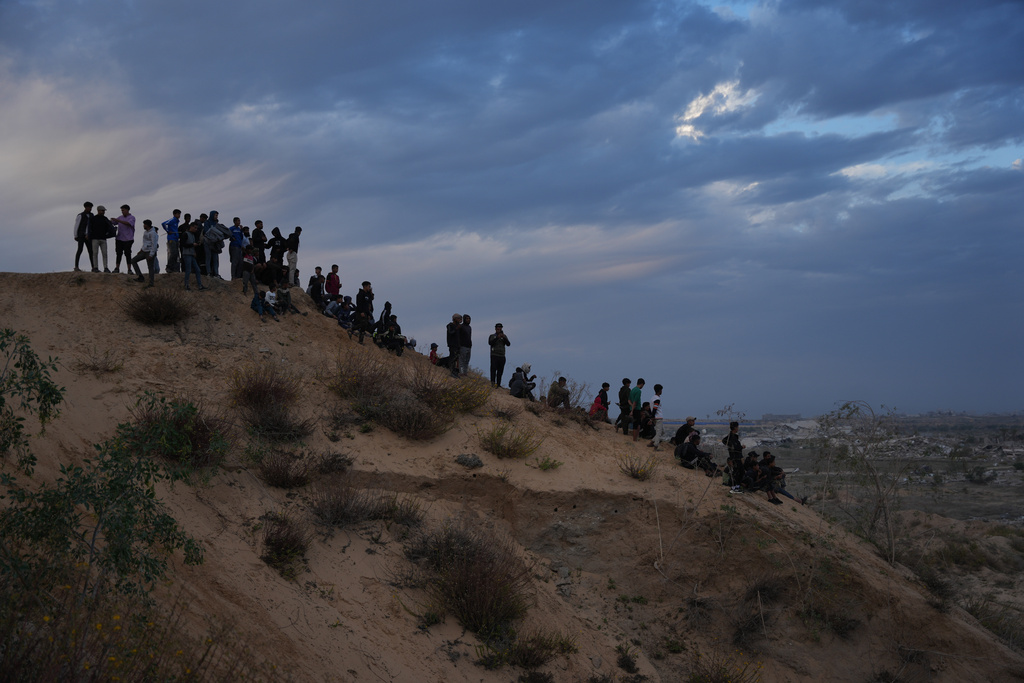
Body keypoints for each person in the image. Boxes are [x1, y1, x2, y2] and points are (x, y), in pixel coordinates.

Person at [130, 219, 159, 286]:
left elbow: (154, 244)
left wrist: (151, 254)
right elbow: (145, 243)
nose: (143, 226)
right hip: (144, 251)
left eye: (144, 224)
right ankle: (140, 276)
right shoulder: (145, 232)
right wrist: (141, 250)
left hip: (150, 252)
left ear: (147, 225)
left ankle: (151, 283)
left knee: (150, 267)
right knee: (133, 260)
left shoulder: (153, 233)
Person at [180, 221, 207, 291]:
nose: (196, 229)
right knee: (188, 270)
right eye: (195, 228)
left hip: (191, 254)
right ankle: (186, 286)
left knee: (198, 270)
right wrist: (192, 245)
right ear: (191, 227)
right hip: (187, 254)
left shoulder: (192, 235)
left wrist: (194, 250)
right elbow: (183, 244)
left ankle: (200, 285)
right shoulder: (185, 234)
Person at [111, 204, 136, 273]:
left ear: (127, 210)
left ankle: (129, 269)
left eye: (123, 210)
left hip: (128, 239)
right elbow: (113, 222)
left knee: (128, 253)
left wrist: (118, 221)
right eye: (121, 210)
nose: (122, 212)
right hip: (119, 238)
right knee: (118, 253)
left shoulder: (132, 217)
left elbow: (128, 223)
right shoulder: (120, 217)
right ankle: (117, 268)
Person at [89, 205, 113, 273]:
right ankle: (95, 267)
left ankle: (105, 267)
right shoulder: (93, 219)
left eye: (104, 211)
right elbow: (90, 228)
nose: (103, 212)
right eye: (102, 211)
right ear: (98, 210)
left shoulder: (105, 219)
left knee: (104, 253)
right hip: (95, 238)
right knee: (95, 253)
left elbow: (109, 227)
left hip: (103, 238)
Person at [73, 202, 95, 272]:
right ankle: (76, 266)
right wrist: (76, 235)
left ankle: (93, 267)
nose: (90, 209)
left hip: (89, 236)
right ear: (85, 207)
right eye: (89, 207)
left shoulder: (92, 215)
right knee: (80, 249)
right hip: (81, 235)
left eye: (91, 207)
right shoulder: (80, 215)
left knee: (91, 251)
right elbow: (76, 225)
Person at [723, 421, 745, 486]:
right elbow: (735, 447)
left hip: (736, 457)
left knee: (740, 472)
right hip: (735, 458)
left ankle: (736, 486)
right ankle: (734, 486)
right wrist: (740, 447)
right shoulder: (731, 437)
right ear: (735, 428)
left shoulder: (733, 436)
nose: (738, 428)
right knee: (737, 473)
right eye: (737, 427)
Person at [162, 209, 182, 273]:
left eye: (179, 214)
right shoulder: (172, 220)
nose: (179, 215)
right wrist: (167, 231)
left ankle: (173, 268)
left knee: (176, 254)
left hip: (176, 239)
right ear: (174, 214)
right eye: (178, 214)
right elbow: (164, 223)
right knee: (173, 253)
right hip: (171, 238)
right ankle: (169, 267)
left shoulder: (176, 221)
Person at [649, 384, 668, 451]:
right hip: (658, 417)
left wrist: (652, 417)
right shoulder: (657, 399)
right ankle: (655, 447)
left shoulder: (653, 398)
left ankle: (652, 442)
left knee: (662, 431)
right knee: (659, 433)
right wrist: (653, 416)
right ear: (660, 390)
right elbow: (655, 408)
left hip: (656, 417)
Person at [629, 378, 645, 442]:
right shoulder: (638, 391)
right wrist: (632, 410)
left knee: (637, 424)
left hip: (633, 408)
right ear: (642, 384)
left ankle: (635, 438)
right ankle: (635, 439)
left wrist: (631, 406)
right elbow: (635, 402)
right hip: (636, 409)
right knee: (636, 425)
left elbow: (629, 400)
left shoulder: (632, 390)